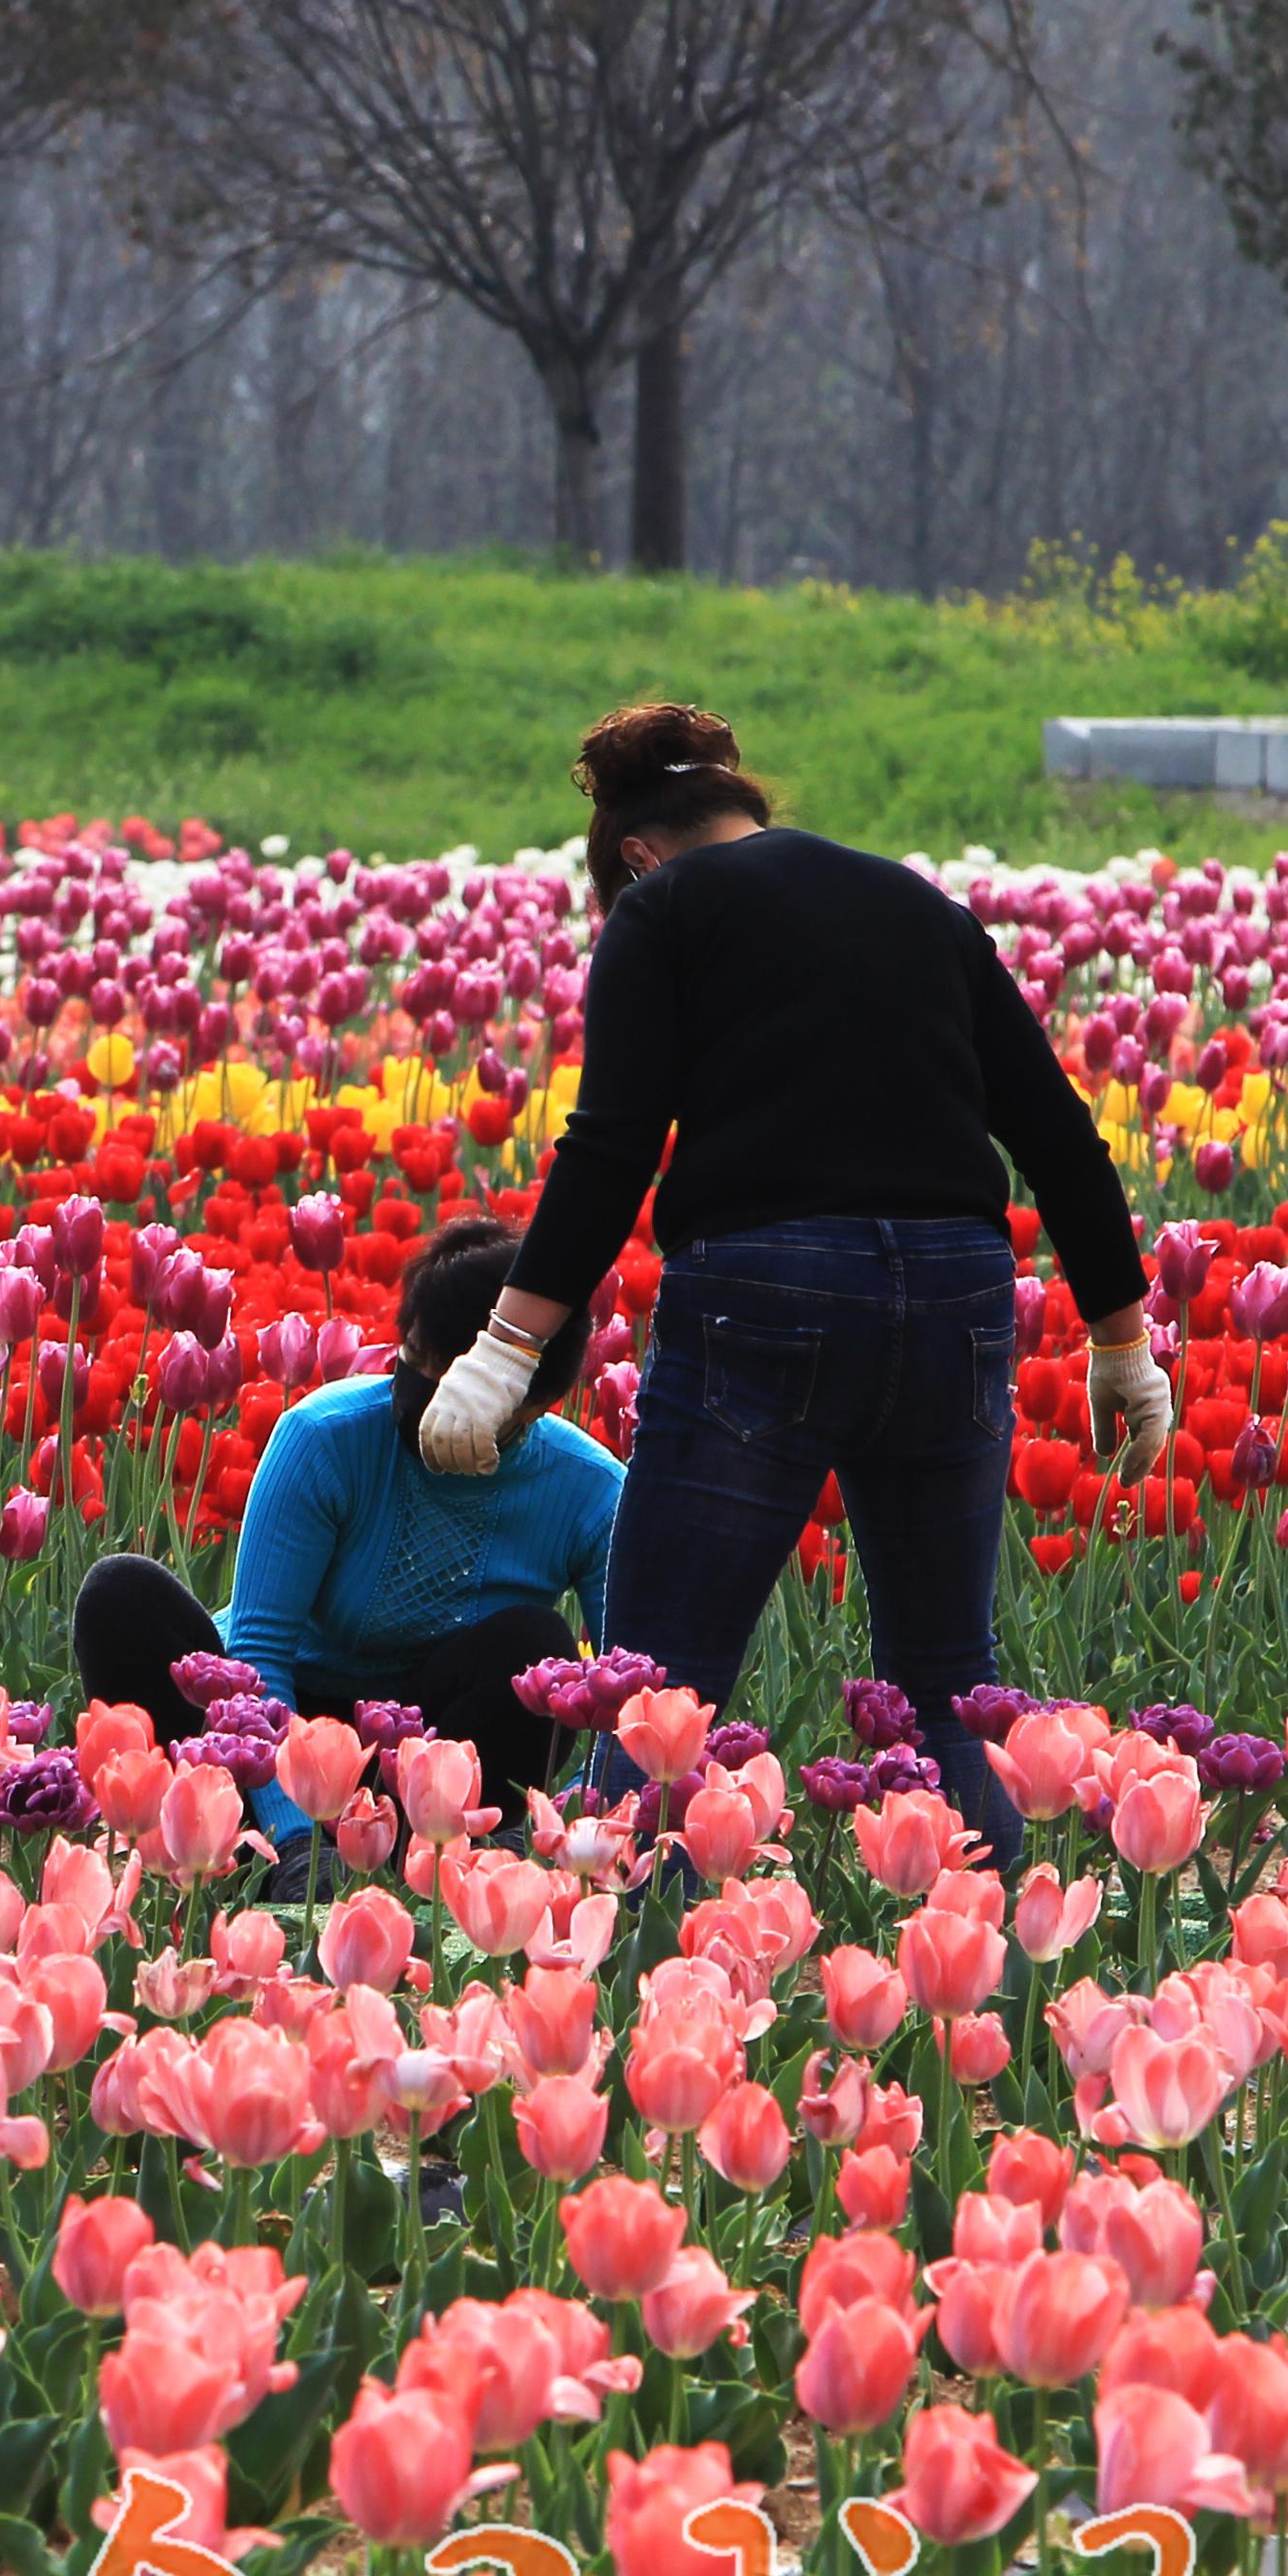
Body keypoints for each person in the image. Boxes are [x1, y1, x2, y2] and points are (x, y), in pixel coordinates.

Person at [413, 702, 1165, 1871]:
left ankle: (603, 1983)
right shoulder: (921, 906)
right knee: (947, 1683)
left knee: (663, 1686)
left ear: (635, 857)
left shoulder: (661, 910)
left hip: (764, 1290)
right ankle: (1010, 1982)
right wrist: (1124, 1341)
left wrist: (504, 1351)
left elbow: (610, 1148)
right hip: (960, 1293)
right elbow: (1058, 1135)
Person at [78, 1212, 622, 1862]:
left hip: (421, 1753)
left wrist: (604, 1831)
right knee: (122, 1596)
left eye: (441, 1373)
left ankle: (439, 1860)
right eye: (407, 1357)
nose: (414, 1386)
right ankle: (228, 1843)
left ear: (534, 1399)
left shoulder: (587, 1490)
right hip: (269, 1726)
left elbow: (625, 1689)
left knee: (540, 1648)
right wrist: (296, 1834)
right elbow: (259, 1647)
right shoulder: (327, 1437)